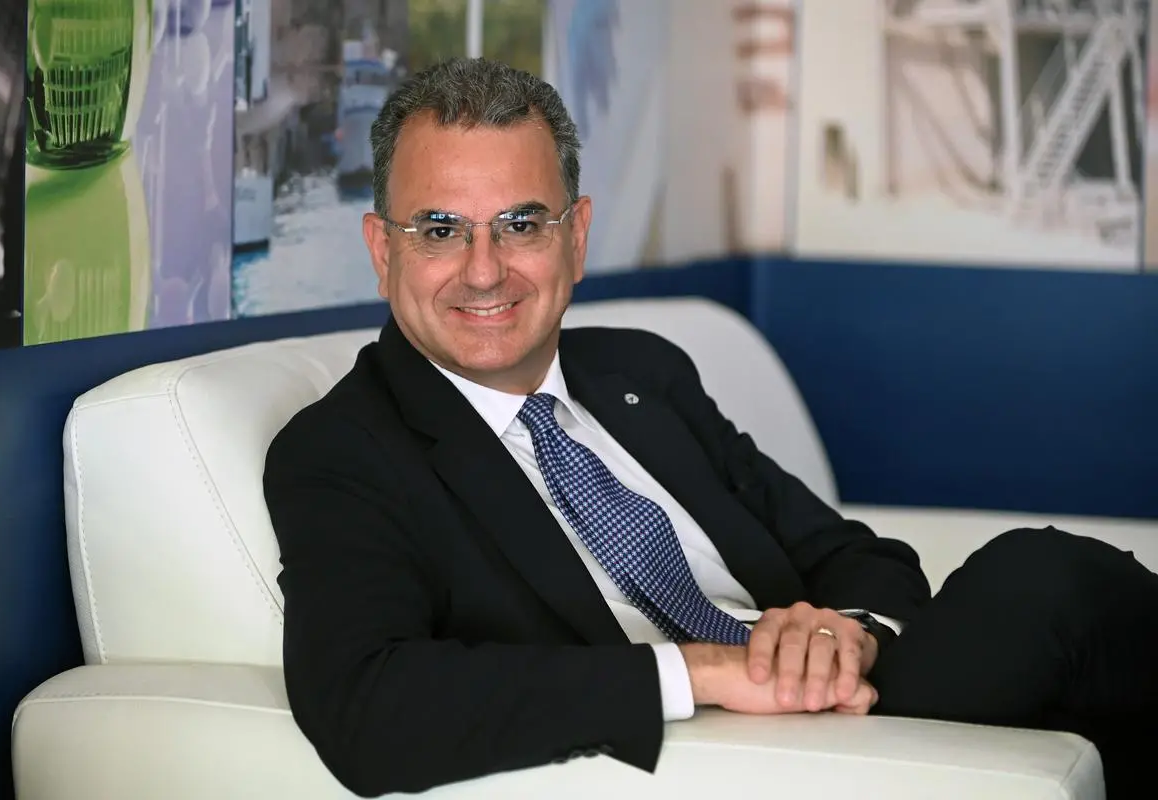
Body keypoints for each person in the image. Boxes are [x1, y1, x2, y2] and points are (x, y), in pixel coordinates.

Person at [263, 58, 1158, 799]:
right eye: (440, 229)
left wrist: (847, 633)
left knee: (1076, 641)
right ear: (383, 249)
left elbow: (854, 555)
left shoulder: (638, 373)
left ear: (576, 237)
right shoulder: (341, 452)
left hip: (845, 700)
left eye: (521, 223)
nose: (484, 269)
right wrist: (700, 674)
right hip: (713, 751)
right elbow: (365, 702)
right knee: (1043, 580)